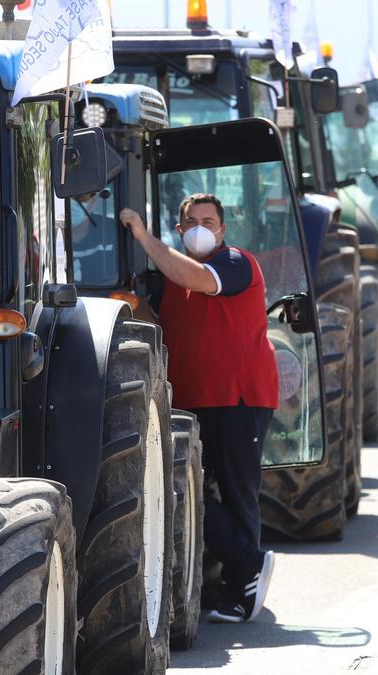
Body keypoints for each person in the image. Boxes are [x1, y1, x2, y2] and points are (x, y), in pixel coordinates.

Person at [119, 194, 277, 624]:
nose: (200, 227)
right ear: (180, 229)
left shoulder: (235, 263)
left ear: (222, 229)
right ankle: (238, 571)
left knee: (236, 492)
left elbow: (197, 278)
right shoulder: (171, 279)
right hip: (194, 399)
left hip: (238, 396)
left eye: (208, 220)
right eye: (191, 221)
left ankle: (244, 581)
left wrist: (141, 235)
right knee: (194, 493)